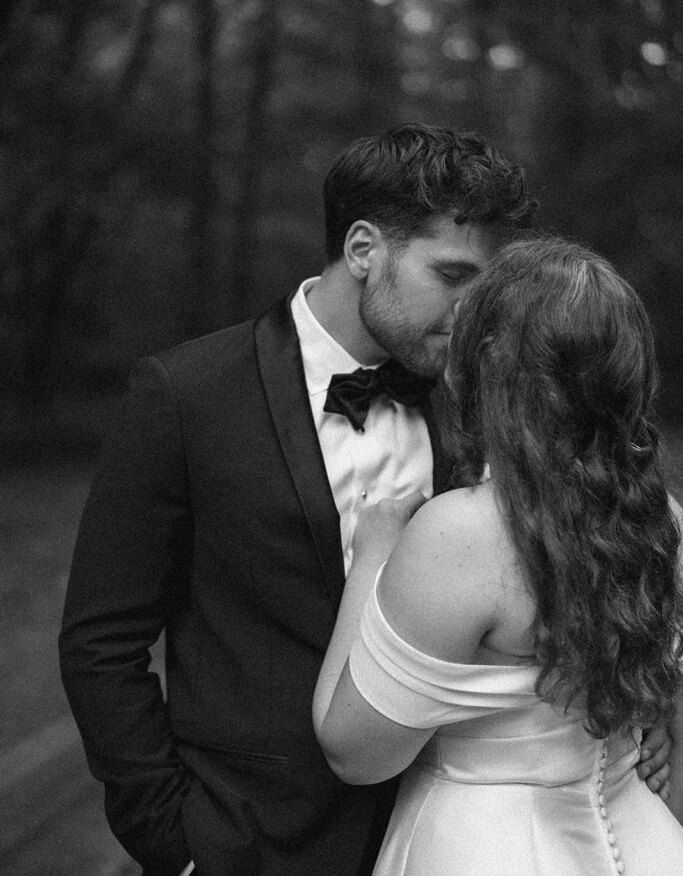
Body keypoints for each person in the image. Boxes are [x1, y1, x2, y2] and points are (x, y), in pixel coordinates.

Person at [59, 126, 668, 876]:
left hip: (446, 832)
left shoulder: (481, 399)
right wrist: (171, 841)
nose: (473, 310)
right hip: (251, 839)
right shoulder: (185, 395)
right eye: (451, 275)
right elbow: (101, 642)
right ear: (361, 250)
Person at [313, 236, 683, 876]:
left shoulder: (463, 533)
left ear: (479, 365)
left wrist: (376, 550)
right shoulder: (664, 522)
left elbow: (354, 752)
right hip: (645, 841)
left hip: (485, 849)